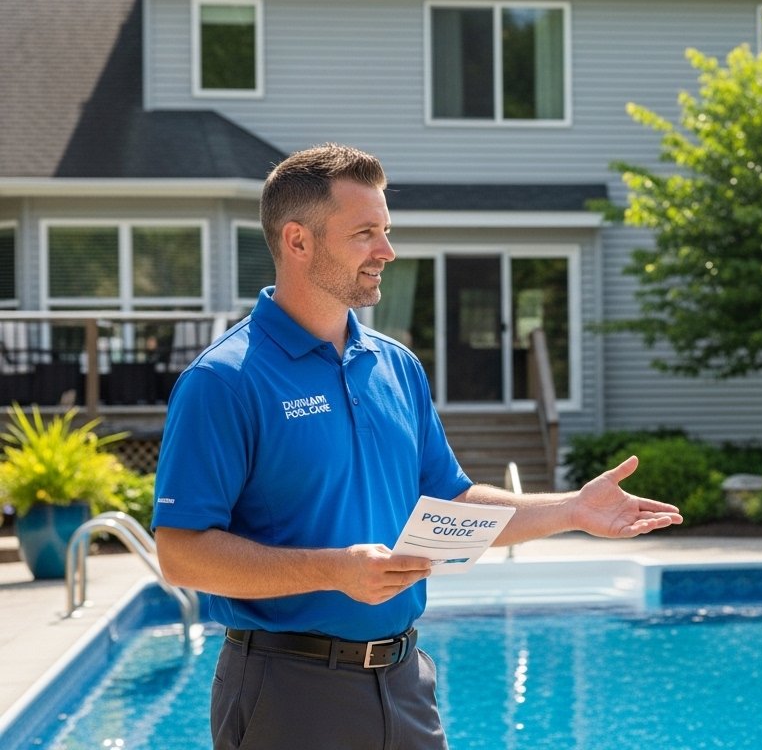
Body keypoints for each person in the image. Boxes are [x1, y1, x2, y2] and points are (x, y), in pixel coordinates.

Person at [151, 143, 684, 750]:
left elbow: (451, 502)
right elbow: (181, 555)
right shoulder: (224, 380)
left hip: (404, 685)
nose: (386, 251)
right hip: (287, 692)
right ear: (298, 241)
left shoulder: (396, 367)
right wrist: (334, 571)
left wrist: (571, 510)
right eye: (364, 233)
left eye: (386, 231)